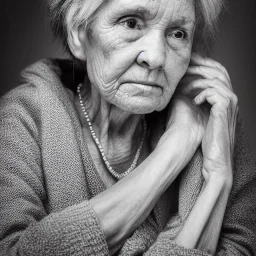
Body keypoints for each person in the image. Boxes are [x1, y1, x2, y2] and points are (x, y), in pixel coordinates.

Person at [0, 0, 255, 255]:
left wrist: (219, 177)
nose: (156, 57)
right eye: (131, 23)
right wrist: (176, 146)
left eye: (178, 34)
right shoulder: (20, 120)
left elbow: (239, 246)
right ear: (78, 34)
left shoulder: (213, 117)